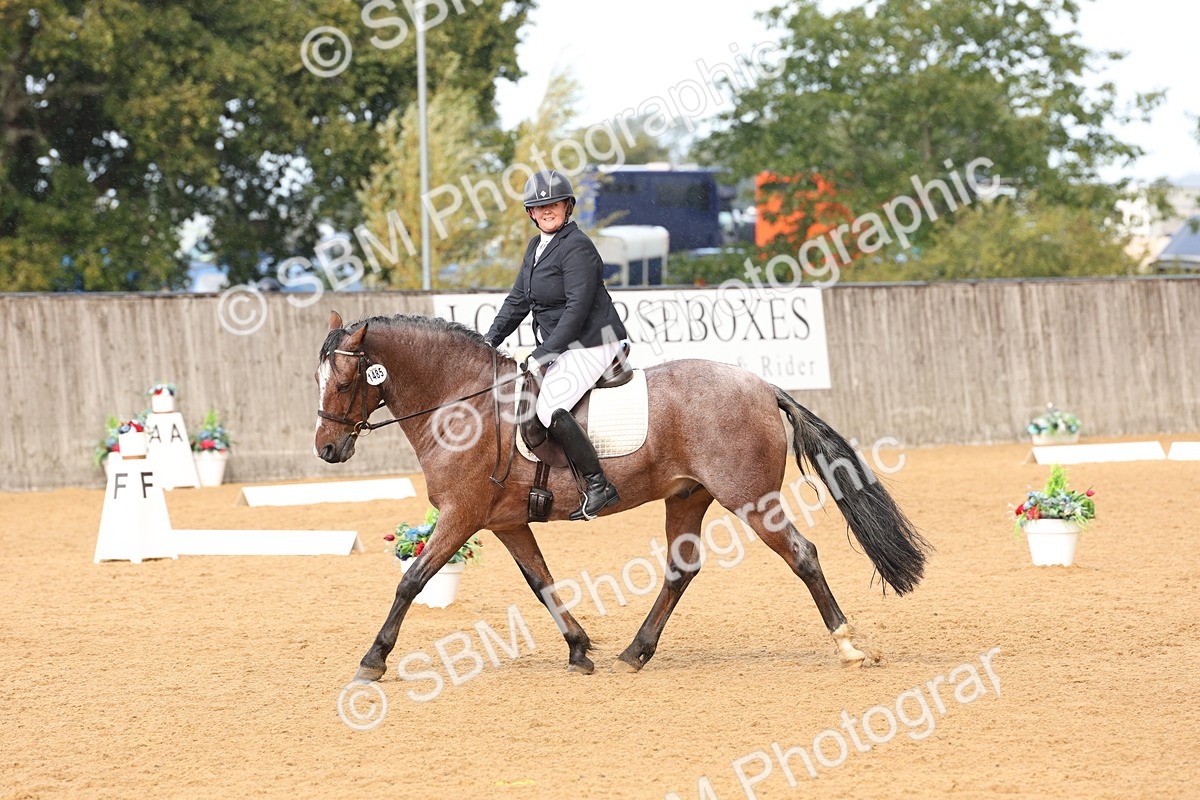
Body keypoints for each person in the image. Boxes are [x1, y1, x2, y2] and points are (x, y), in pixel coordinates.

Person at [484, 169, 628, 521]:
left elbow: (577, 309)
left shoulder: (577, 246)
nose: (547, 209)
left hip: (594, 341)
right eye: (540, 205)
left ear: (567, 206)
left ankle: (598, 485)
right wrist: (487, 341)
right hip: (566, 345)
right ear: (531, 213)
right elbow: (518, 300)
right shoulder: (536, 247)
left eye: (554, 203)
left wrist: (543, 354)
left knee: (550, 408)